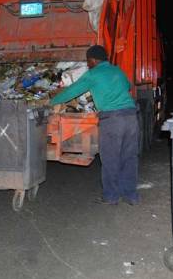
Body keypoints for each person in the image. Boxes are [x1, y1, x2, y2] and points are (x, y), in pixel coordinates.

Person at [51, 45, 139, 205]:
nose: (87, 64)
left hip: (112, 120)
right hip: (131, 118)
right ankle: (131, 195)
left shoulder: (93, 74)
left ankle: (111, 197)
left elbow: (71, 92)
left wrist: (51, 102)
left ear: (92, 60)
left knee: (110, 159)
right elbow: (128, 86)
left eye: (88, 61)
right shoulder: (117, 71)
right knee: (129, 158)